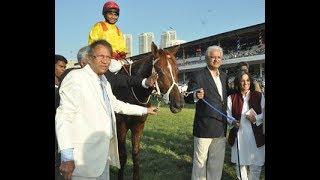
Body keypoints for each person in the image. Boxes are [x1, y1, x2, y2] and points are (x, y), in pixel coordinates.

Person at [55, 40, 158, 180]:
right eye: (101, 56)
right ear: (91, 58)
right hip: (82, 161)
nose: (105, 61)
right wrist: (66, 157)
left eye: (108, 57)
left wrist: (145, 110)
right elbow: (64, 117)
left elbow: (116, 105)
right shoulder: (76, 78)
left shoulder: (103, 80)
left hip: (102, 157)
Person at [185, 45, 229, 180]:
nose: (216, 60)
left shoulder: (224, 76)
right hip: (204, 127)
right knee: (200, 163)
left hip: (220, 125)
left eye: (218, 57)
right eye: (213, 57)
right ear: (206, 59)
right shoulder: (198, 75)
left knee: (216, 163)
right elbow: (187, 96)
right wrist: (195, 96)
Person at [227, 70, 265, 180]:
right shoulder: (231, 98)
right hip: (239, 136)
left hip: (256, 136)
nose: (245, 83)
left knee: (256, 165)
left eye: (247, 80)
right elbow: (228, 115)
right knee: (240, 165)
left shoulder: (259, 96)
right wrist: (233, 121)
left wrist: (256, 118)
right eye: (242, 81)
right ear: (238, 83)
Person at [88, 0, 128, 73]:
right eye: (110, 14)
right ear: (104, 14)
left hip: (117, 59)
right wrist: (109, 53)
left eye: (116, 14)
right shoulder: (99, 26)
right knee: (116, 66)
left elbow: (122, 46)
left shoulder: (118, 30)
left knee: (130, 65)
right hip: (103, 57)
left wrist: (122, 53)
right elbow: (93, 43)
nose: (113, 17)